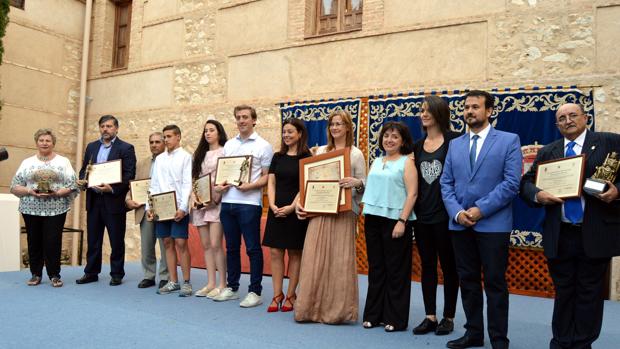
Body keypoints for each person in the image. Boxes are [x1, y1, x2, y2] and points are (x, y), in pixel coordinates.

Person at [520, 103, 620, 349]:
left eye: (573, 115)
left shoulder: (610, 142)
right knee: (564, 292)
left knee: (589, 294)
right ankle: (561, 342)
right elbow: (526, 183)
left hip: (594, 232)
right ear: (557, 125)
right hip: (560, 234)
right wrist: (538, 195)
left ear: (586, 118)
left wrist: (618, 192)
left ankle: (583, 344)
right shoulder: (549, 152)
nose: (567, 120)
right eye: (561, 118)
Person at [440, 90, 522, 349]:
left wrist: (479, 210)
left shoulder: (508, 141)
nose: (469, 111)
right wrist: (457, 212)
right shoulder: (455, 144)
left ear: (489, 111)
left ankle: (499, 338)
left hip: (493, 225)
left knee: (495, 283)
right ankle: (473, 333)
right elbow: (446, 183)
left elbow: (511, 184)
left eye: (475, 107)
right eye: (466, 107)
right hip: (460, 224)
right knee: (468, 281)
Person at [294, 109, 367, 324]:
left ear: (347, 127)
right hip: (319, 212)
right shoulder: (320, 152)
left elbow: (364, 185)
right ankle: (309, 309)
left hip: (344, 213)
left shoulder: (355, 154)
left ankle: (337, 312)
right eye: (332, 124)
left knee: (339, 260)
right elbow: (308, 183)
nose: (335, 127)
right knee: (313, 258)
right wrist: (301, 203)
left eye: (339, 124)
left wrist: (356, 183)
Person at [212, 105, 274, 308]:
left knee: (253, 248)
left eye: (245, 117)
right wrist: (219, 186)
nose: (241, 120)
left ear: (254, 120)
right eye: (238, 117)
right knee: (230, 248)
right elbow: (224, 173)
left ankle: (255, 291)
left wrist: (251, 186)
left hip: (249, 204)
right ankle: (232, 287)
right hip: (228, 202)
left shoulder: (263, 146)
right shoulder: (229, 145)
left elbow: (267, 178)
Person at [361, 121, 417, 332]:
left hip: (396, 221)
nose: (389, 140)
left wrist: (402, 221)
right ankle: (374, 315)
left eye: (395, 136)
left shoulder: (407, 162)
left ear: (403, 141)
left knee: (396, 271)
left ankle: (395, 318)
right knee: (376, 269)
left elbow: (412, 193)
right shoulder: (376, 161)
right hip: (373, 219)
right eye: (386, 136)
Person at [411, 96, 460, 336]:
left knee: (450, 267)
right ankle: (430, 315)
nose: (423, 114)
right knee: (427, 266)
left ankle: (448, 317)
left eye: (428, 110)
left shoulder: (455, 141)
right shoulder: (418, 146)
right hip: (423, 216)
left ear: (440, 113)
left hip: (447, 216)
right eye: (421, 110)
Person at [10, 129, 78, 288]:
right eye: (41, 140)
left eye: (48, 140)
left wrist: (58, 192)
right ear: (36, 142)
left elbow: (73, 184)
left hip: (56, 209)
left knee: (53, 241)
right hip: (30, 209)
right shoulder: (27, 162)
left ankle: (54, 275)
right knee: (33, 241)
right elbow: (15, 186)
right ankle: (35, 274)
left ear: (53, 143)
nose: (44, 143)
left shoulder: (63, 161)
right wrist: (29, 191)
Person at [76, 115, 136, 286]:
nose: (105, 129)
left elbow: (129, 174)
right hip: (94, 199)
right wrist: (83, 180)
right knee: (93, 239)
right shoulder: (92, 147)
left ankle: (116, 273)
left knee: (116, 239)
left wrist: (113, 189)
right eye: (102, 126)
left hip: (113, 200)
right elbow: (84, 170)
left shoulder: (126, 148)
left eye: (109, 126)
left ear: (116, 129)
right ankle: (91, 272)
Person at [262, 119, 311, 312]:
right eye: (284, 132)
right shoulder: (277, 156)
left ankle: (291, 294)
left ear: (300, 133)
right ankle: (277, 294)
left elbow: (305, 184)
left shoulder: (307, 156)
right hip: (276, 209)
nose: (286, 135)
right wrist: (272, 205)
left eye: (290, 132)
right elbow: (271, 183)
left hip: (296, 210)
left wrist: (292, 207)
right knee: (275, 252)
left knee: (294, 253)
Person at [147, 125, 193, 297]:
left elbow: (187, 183)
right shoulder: (159, 160)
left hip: (178, 208)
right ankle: (173, 281)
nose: (166, 140)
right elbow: (154, 185)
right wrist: (149, 207)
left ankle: (186, 282)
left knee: (181, 243)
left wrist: (183, 208)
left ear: (178, 137)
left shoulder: (186, 157)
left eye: (169, 136)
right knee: (167, 243)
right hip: (161, 208)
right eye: (164, 137)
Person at [125, 132, 169, 289]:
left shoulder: (170, 161)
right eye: (151, 142)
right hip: (144, 208)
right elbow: (134, 184)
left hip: (164, 207)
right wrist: (129, 199)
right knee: (147, 244)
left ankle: (166, 276)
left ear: (164, 143)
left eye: (158, 142)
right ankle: (148, 276)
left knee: (165, 244)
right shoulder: (142, 164)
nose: (154, 145)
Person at [191, 120, 228, 299]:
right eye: (205, 130)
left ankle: (222, 283)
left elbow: (225, 178)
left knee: (215, 244)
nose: (208, 133)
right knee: (206, 245)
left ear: (219, 133)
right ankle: (211, 282)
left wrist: (215, 199)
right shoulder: (199, 154)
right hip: (201, 204)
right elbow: (195, 179)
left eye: (211, 130)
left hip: (216, 202)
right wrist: (195, 199)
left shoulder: (225, 151)